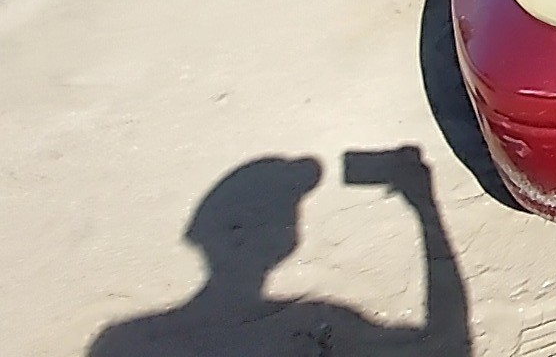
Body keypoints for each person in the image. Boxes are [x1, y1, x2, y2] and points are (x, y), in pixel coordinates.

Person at [90, 147, 469, 357]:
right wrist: (424, 207)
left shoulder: (123, 342)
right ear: (288, 243)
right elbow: (448, 341)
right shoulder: (319, 322)